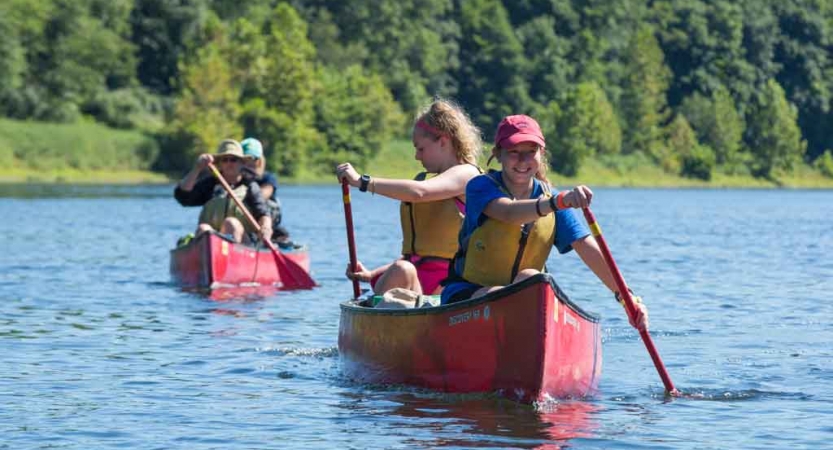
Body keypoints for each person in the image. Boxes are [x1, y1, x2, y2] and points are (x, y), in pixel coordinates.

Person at [440, 114, 648, 330]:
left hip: (521, 301)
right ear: (498, 154)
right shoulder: (480, 187)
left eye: (531, 152)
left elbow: (588, 248)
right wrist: (558, 202)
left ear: (541, 154)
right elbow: (509, 213)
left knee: (532, 279)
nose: (522, 160)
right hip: (466, 294)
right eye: (513, 152)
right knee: (512, 295)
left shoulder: (553, 199)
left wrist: (626, 297)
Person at [335, 98, 483, 307]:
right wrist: (372, 275)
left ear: (443, 141)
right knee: (402, 269)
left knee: (403, 269)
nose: (416, 156)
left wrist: (362, 182)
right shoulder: (425, 178)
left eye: (421, 149)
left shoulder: (467, 174)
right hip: (416, 283)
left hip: (449, 287)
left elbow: (419, 193)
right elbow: (420, 256)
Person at [174, 139, 273, 244]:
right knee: (204, 228)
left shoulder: (250, 186)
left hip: (244, 243)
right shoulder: (209, 185)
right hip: (212, 245)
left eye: (233, 160)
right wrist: (197, 168)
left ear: (242, 163)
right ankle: (211, 256)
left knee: (231, 223)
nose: (229, 163)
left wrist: (266, 228)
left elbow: (263, 213)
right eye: (225, 160)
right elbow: (183, 196)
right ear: (220, 164)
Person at [240, 137, 296, 249]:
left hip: (265, 226)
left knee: (282, 235)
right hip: (242, 225)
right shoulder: (235, 180)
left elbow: (264, 194)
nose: (250, 163)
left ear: (260, 160)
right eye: (245, 159)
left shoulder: (267, 178)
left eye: (253, 159)